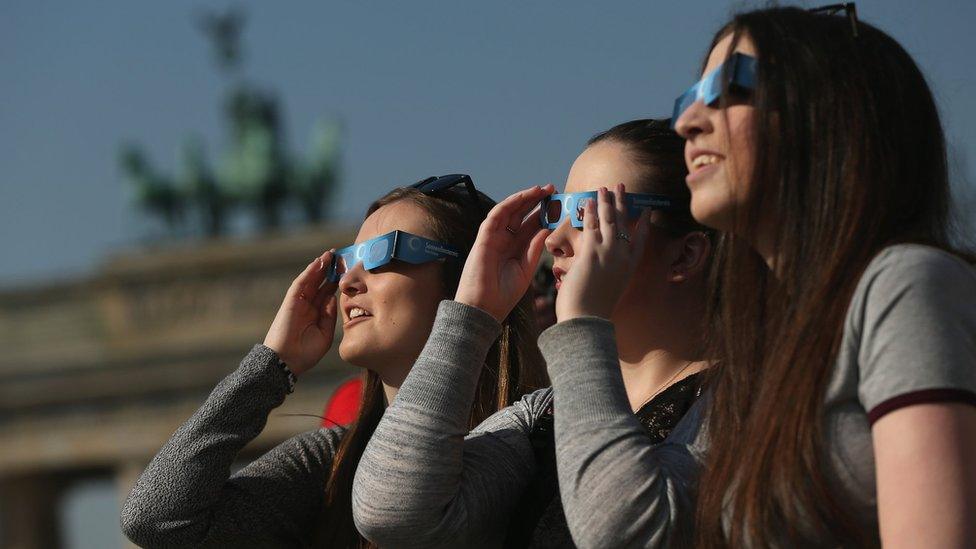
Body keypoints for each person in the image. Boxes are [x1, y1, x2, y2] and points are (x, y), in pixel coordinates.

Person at [523, 6, 976, 548]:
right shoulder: (761, 355)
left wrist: (583, 323)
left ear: (832, 108)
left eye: (730, 86)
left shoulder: (902, 283)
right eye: (690, 98)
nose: (689, 121)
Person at [120, 175, 547, 548]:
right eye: (345, 262)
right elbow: (157, 519)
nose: (348, 282)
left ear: (467, 276)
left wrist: (473, 316)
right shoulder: (330, 463)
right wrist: (273, 365)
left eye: (382, 254)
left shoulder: (533, 438)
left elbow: (398, 501)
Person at [352, 119, 713, 547]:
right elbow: (390, 512)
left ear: (685, 254)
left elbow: (621, 530)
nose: (554, 240)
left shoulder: (743, 400)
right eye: (558, 211)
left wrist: (582, 321)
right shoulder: (541, 416)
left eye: (590, 215)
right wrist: (472, 312)